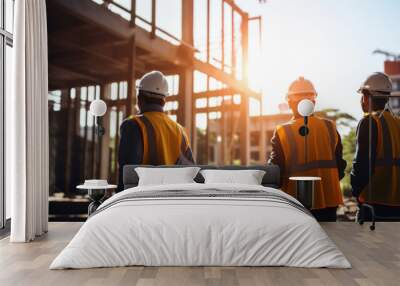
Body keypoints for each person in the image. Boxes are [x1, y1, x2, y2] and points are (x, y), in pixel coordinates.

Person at [269, 76, 346, 221]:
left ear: (290, 102)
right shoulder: (330, 128)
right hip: (328, 202)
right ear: (314, 101)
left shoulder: (282, 132)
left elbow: (275, 174)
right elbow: (340, 167)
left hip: (295, 203)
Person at [118, 71, 195, 191]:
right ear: (164, 101)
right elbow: (192, 174)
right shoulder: (179, 131)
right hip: (170, 203)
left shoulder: (133, 125)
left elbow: (127, 177)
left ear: (139, 99)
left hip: (142, 203)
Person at [351, 72, 400, 219]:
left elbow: (360, 165)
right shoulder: (398, 123)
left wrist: (358, 193)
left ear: (367, 97)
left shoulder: (369, 122)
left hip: (375, 205)